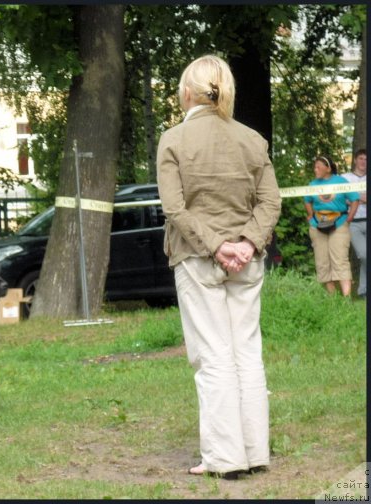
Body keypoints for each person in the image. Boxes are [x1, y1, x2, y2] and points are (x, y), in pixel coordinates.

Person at [157, 55, 281, 478]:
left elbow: (174, 207)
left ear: (187, 91)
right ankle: (255, 451)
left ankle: (225, 458)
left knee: (213, 356)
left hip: (196, 257)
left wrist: (216, 246)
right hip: (246, 261)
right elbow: (271, 202)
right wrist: (246, 243)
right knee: (247, 351)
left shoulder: (173, 139)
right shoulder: (251, 139)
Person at [303, 156, 360, 297]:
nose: (315, 169)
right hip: (317, 225)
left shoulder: (341, 181)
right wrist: (310, 215)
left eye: (318, 167)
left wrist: (350, 217)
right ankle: (333, 299)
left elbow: (354, 199)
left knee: (340, 260)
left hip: (339, 223)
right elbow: (307, 200)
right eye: (314, 167)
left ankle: (346, 298)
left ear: (328, 168)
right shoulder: (312, 184)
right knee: (322, 261)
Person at [341, 148, 366, 298]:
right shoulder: (344, 178)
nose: (364, 162)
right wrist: (360, 199)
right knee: (364, 254)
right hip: (353, 222)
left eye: (366, 159)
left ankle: (364, 291)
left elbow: (351, 198)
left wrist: (354, 199)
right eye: (361, 158)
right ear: (355, 160)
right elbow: (339, 199)